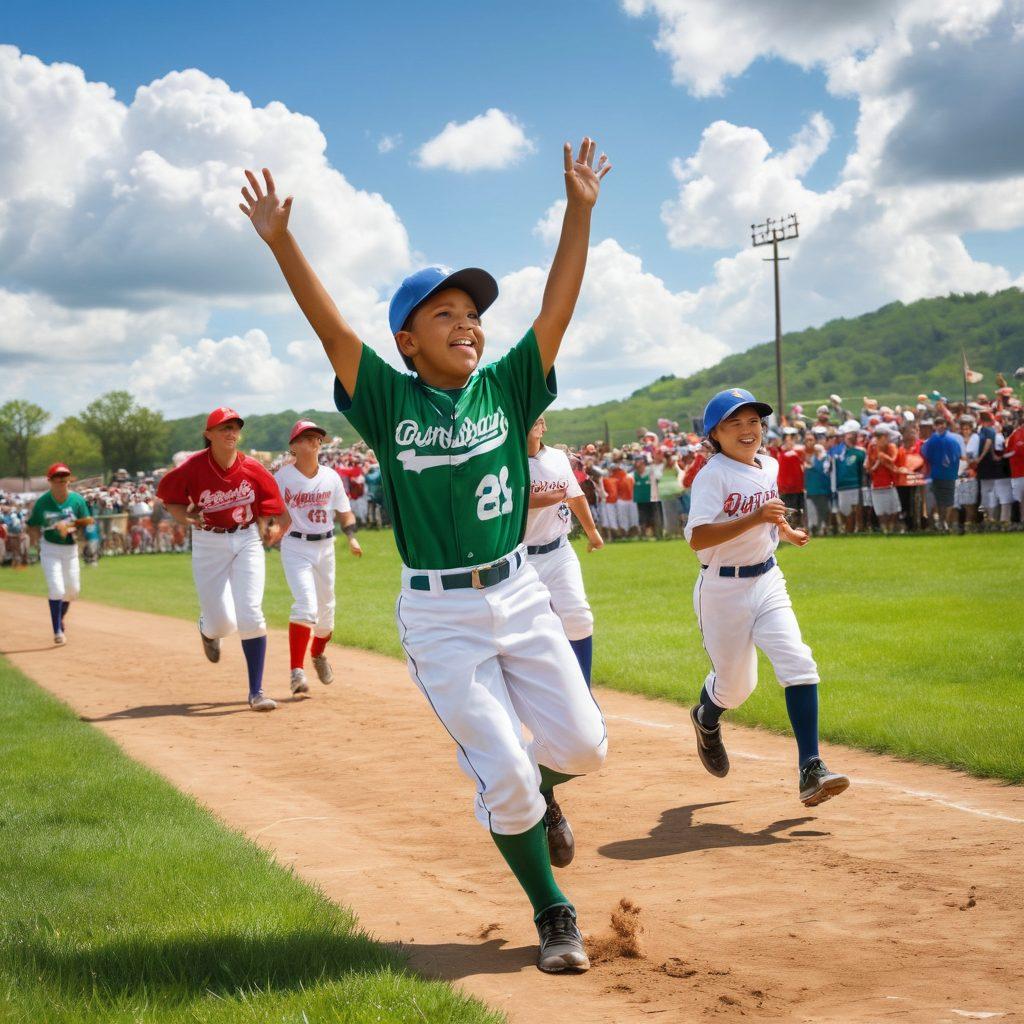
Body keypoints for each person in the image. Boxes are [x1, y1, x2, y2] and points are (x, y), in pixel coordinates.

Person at [241, 140, 610, 974]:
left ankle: (538, 792)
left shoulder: (508, 384)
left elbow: (557, 306)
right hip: (442, 614)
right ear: (408, 342)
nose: (466, 324)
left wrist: (580, 210)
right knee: (507, 780)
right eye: (444, 315)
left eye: (472, 312)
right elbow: (332, 328)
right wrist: (282, 244)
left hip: (519, 592)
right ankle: (554, 913)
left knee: (585, 748)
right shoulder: (387, 396)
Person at [684, 389, 850, 807]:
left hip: (768, 580)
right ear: (715, 434)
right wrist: (755, 517)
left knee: (798, 660)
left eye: (754, 421)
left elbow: (769, 514)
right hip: (722, 590)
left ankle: (811, 768)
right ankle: (707, 716)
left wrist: (783, 531)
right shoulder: (712, 475)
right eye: (734, 423)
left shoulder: (769, 464)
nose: (747, 430)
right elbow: (698, 538)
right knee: (737, 688)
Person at [156, 408, 285, 711]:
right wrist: (185, 519)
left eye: (235, 428)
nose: (230, 433)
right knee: (222, 624)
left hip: (246, 539)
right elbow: (171, 499)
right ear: (208, 435)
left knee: (250, 613)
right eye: (223, 428)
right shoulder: (192, 468)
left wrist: (271, 524)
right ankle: (207, 629)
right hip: (208, 541)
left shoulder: (252, 468)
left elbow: (271, 505)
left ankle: (256, 691)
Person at [275, 419, 362, 697]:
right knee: (305, 605)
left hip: (326, 547)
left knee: (326, 617)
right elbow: (274, 512)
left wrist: (351, 536)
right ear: (294, 446)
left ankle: (318, 654)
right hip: (296, 546)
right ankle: (296, 672)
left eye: (317, 437)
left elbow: (345, 511)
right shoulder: (282, 477)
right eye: (307, 437)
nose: (314, 441)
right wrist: (272, 528)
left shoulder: (332, 476)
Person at [26, 463, 94, 644]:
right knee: (57, 589)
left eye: (65, 478)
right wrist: (34, 545)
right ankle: (57, 630)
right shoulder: (43, 503)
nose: (62, 481)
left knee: (72, 591)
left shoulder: (77, 500)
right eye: (58, 478)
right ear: (50, 481)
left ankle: (60, 617)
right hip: (50, 549)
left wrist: (71, 527)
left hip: (70, 550)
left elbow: (86, 520)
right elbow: (32, 524)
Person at [920, 417, 961, 531]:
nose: (941, 426)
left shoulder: (952, 439)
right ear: (935, 426)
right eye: (938, 424)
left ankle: (944, 521)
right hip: (936, 475)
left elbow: (957, 455)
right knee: (938, 501)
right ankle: (940, 523)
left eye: (942, 423)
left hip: (949, 475)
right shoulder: (932, 440)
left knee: (948, 501)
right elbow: (925, 454)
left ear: (945, 425)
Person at [832, 421, 865, 533]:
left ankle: (859, 531)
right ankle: (848, 532)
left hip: (855, 486)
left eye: (853, 434)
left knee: (857, 511)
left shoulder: (860, 452)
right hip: (841, 487)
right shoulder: (836, 452)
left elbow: (863, 471)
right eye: (848, 434)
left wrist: (863, 487)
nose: (850, 437)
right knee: (845, 512)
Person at [867, 424, 900, 534]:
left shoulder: (890, 447)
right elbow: (868, 467)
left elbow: (893, 460)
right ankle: (884, 530)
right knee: (881, 511)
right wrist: (878, 462)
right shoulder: (871, 448)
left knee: (895, 509)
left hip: (891, 483)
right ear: (881, 437)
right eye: (887, 437)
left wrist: (884, 458)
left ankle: (890, 528)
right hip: (877, 484)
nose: (889, 439)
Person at [631, 455, 660, 537]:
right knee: (642, 518)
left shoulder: (651, 472)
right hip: (640, 500)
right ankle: (643, 535)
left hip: (651, 499)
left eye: (639, 462)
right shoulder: (633, 474)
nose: (637, 464)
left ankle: (657, 534)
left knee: (653, 517)